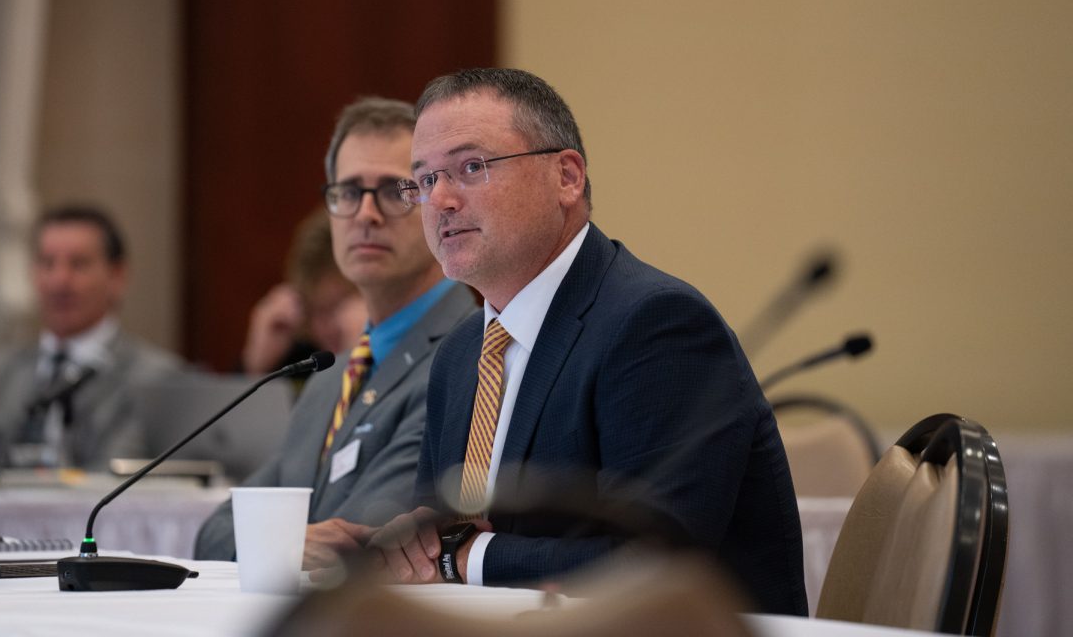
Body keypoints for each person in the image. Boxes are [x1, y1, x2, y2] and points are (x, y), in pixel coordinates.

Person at [370, 69, 807, 615]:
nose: (441, 201)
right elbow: (436, 549)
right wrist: (415, 547)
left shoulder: (656, 325)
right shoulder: (460, 354)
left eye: (471, 167)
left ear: (567, 177)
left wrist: (467, 557)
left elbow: (655, 562)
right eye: (425, 181)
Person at [194, 97, 477, 565]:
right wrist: (291, 545)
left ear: (436, 203)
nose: (365, 214)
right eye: (347, 192)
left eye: (393, 190)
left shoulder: (470, 355)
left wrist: (275, 541)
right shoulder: (329, 379)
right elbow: (215, 532)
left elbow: (368, 539)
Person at [0, 204, 186, 474]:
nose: (59, 281)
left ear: (117, 276)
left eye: (78, 264)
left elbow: (118, 474)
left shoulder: (156, 381)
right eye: (47, 263)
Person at [239, 207, 367, 377]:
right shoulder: (300, 357)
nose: (329, 328)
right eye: (318, 311)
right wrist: (255, 367)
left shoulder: (402, 351)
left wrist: (362, 362)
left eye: (339, 306)